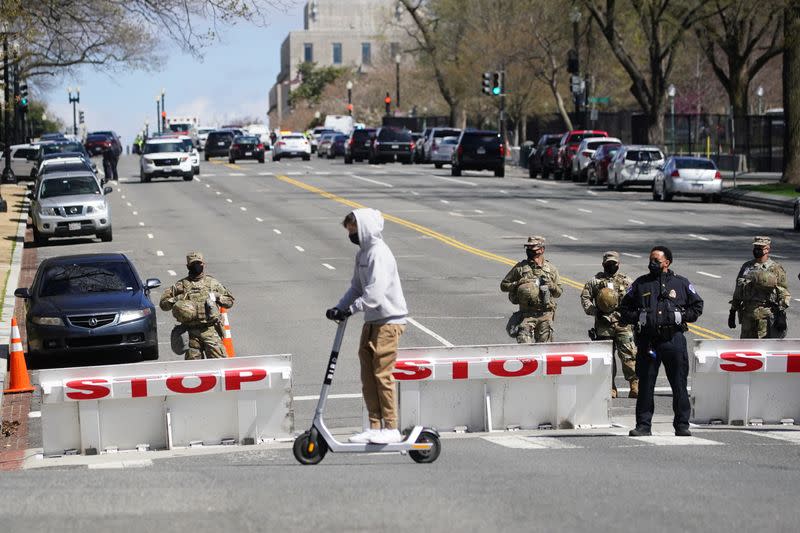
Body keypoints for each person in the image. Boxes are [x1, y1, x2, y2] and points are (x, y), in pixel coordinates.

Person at [326, 209, 408, 445]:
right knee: (368, 375)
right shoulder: (363, 253)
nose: (350, 234)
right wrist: (339, 306)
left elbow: (375, 294)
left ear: (364, 228)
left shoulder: (378, 254)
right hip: (372, 320)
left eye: (353, 230)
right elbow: (356, 287)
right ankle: (374, 425)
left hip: (389, 320)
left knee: (382, 373)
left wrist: (350, 310)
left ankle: (390, 426)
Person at [620, 246, 703, 437]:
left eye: (656, 260)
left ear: (667, 262)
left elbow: (697, 306)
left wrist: (682, 315)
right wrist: (639, 316)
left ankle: (682, 425)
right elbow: (624, 309)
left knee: (679, 384)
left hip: (673, 340)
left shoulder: (681, 283)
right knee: (646, 385)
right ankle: (643, 425)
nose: (652, 263)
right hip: (649, 342)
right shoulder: (641, 284)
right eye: (650, 259)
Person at [580, 251, 638, 399]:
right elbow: (585, 298)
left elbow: (636, 299)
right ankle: (609, 386)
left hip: (623, 324)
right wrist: (594, 311)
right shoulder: (595, 281)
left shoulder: (626, 281)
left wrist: (630, 315)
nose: (610, 266)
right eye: (608, 264)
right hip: (603, 325)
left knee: (629, 355)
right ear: (603, 264)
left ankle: (634, 384)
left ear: (618, 264)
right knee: (606, 358)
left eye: (613, 264)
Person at [159, 252, 235, 360]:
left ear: (204, 264)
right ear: (188, 266)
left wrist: (218, 297)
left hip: (210, 331)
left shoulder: (213, 283)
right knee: (193, 368)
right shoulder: (180, 285)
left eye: (198, 263)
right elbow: (163, 304)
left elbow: (230, 301)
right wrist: (176, 299)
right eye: (193, 264)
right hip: (190, 333)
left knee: (219, 364)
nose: (196, 266)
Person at [500, 236, 562, 343]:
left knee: (544, 349)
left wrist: (551, 285)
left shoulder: (551, 269)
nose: (529, 251)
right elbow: (504, 285)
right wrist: (517, 283)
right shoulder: (520, 268)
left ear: (542, 250)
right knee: (524, 346)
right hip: (526, 315)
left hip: (545, 316)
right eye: (527, 249)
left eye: (532, 249)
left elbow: (558, 293)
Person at [728, 236, 790, 339]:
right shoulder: (747, 267)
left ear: (767, 249)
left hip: (766, 317)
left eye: (760, 248)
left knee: (764, 349)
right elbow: (738, 290)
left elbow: (783, 292)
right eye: (755, 247)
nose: (757, 250)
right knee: (747, 349)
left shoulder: (775, 268)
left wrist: (781, 314)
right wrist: (733, 311)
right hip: (747, 316)